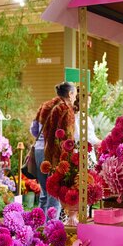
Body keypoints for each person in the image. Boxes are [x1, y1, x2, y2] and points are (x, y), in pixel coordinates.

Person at [30, 81, 76, 212]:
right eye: (75, 95)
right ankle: (52, 229)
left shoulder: (45, 106)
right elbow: (68, 138)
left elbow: (33, 130)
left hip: (39, 151)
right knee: (54, 194)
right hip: (54, 155)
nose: (75, 98)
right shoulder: (66, 110)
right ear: (70, 94)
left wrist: (44, 137)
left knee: (44, 194)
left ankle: (39, 228)